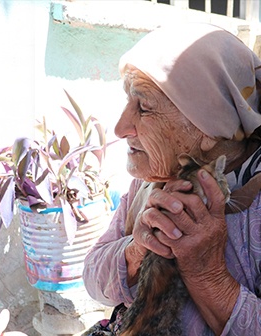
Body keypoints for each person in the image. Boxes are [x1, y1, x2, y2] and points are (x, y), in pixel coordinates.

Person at [82, 23, 261, 335]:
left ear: (209, 126)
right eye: (128, 101)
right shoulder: (153, 183)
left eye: (145, 108)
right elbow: (94, 281)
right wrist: (136, 250)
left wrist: (209, 274)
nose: (121, 127)